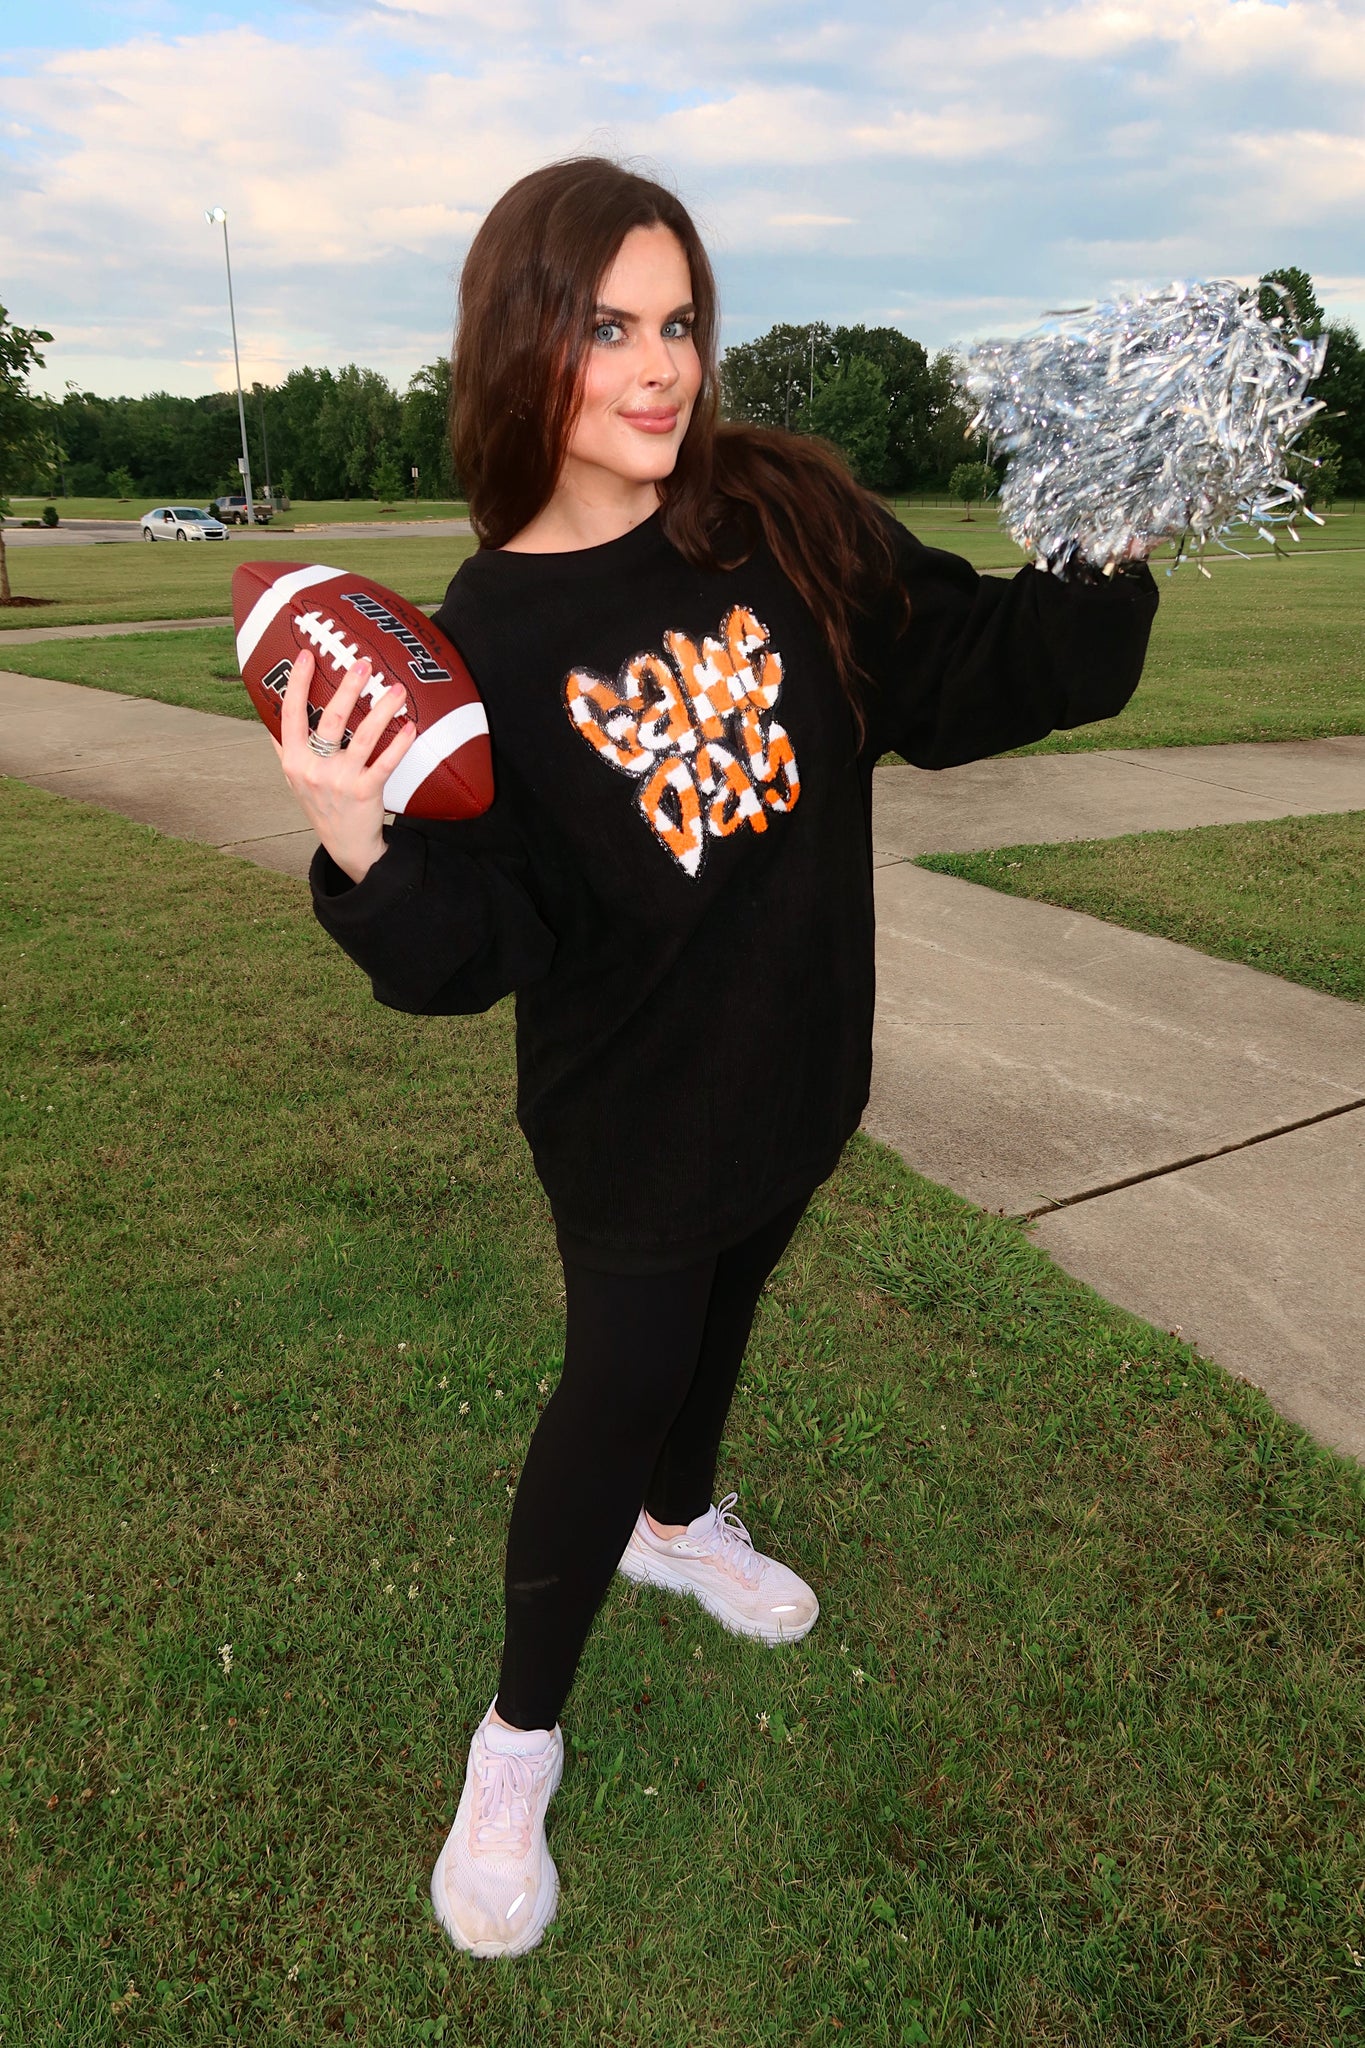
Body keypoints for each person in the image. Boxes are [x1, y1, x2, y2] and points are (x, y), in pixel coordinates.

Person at [273, 157, 1158, 1960]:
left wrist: (1107, 548)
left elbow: (960, 670)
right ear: (520, 344)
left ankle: (677, 1525)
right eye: (608, 328)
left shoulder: (774, 513)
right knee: (618, 1381)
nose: (660, 367)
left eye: (678, 322)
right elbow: (484, 948)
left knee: (734, 1306)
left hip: (801, 1061)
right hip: (631, 1113)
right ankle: (517, 1734)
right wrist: (363, 845)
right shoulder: (481, 641)